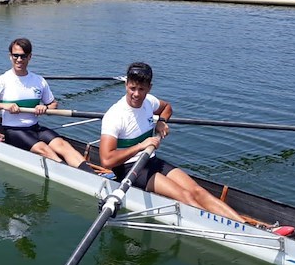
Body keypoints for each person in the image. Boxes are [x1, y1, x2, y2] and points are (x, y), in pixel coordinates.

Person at [99, 62, 247, 223]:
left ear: (149, 88)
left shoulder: (149, 102)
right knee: (184, 196)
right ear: (126, 84)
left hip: (150, 160)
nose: (136, 94)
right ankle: (220, 227)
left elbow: (167, 107)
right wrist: (140, 146)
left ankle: (245, 225)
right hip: (129, 168)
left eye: (141, 89)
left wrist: (161, 121)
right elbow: (107, 160)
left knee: (197, 191)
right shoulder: (114, 115)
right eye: (132, 88)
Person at [0, 37, 94, 172]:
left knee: (62, 144)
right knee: (44, 149)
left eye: (23, 56)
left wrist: (46, 107)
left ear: (30, 57)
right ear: (10, 56)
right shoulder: (0, 81)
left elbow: (53, 104)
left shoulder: (39, 81)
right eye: (16, 55)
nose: (19, 59)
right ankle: (72, 175)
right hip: (14, 131)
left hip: (35, 128)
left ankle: (92, 175)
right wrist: (2, 106)